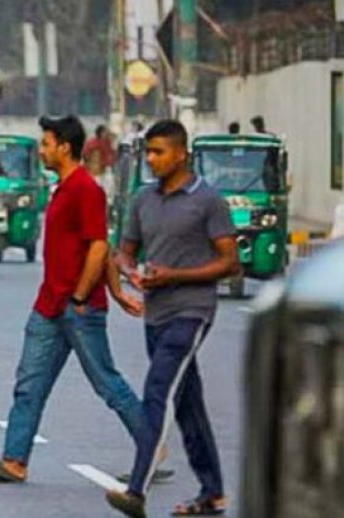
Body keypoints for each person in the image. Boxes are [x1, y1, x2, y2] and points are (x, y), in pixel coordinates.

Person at [0, 115, 149, 484]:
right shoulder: (63, 189)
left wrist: (90, 295)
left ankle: (151, 445)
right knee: (29, 382)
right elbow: (100, 245)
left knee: (107, 383)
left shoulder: (86, 189)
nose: (41, 150)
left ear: (65, 147)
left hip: (78, 308)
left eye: (46, 143)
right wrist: (113, 292)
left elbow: (100, 247)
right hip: (49, 305)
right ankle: (14, 460)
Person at [105, 120, 241, 518]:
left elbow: (230, 262)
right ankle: (212, 493)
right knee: (188, 404)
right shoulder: (143, 199)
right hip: (156, 313)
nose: (152, 159)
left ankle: (136, 490)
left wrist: (175, 276)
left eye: (159, 152)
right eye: (148, 152)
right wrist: (131, 272)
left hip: (192, 311)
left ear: (182, 153)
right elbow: (124, 251)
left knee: (159, 390)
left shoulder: (208, 200)